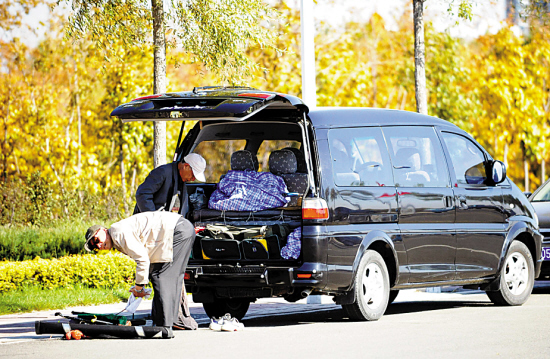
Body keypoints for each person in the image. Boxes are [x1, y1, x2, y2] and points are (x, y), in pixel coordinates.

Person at [84, 211, 195, 337]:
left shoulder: (117, 233)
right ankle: (169, 321)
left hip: (178, 230)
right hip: (180, 229)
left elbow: (142, 259)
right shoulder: (117, 236)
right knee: (162, 276)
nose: (98, 245)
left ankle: (165, 326)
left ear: (103, 230)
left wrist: (139, 287)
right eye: (94, 247)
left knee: (162, 277)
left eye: (96, 239)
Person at [132, 153, 207, 330]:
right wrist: (154, 220)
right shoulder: (162, 172)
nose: (193, 179)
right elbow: (142, 194)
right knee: (160, 272)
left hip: (165, 230)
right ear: (186, 166)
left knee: (165, 271)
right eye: (193, 174)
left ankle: (168, 316)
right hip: (151, 229)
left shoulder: (180, 179)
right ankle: (164, 318)